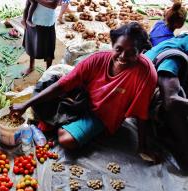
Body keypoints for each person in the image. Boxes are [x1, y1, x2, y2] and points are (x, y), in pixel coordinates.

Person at [12, 22, 157, 155]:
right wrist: (25, 105)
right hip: (83, 99)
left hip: (102, 116)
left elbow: (141, 112)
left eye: (131, 53)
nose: (123, 56)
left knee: (65, 140)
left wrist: (142, 145)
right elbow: (63, 84)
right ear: (112, 45)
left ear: (141, 52)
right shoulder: (97, 59)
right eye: (118, 49)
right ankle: (61, 121)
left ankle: (64, 124)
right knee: (43, 94)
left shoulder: (145, 74)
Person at [145, 34, 188, 169]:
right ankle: (184, 149)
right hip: (142, 102)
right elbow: (171, 101)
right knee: (177, 98)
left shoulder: (181, 40)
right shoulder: (174, 57)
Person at [22, 0, 59, 76]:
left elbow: (53, 5)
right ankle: (31, 66)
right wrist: (25, 18)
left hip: (47, 22)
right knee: (32, 45)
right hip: (33, 21)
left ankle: (47, 71)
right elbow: (28, 3)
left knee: (49, 50)